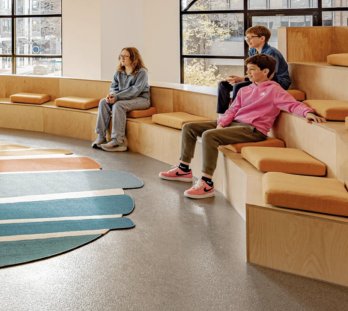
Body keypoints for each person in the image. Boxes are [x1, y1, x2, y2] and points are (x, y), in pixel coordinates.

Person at [160, 53, 325, 199]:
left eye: (252, 69)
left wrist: (308, 112)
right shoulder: (244, 90)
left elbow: (293, 104)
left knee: (209, 135)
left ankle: (207, 183)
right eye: (248, 69)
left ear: (265, 71)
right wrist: (221, 123)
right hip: (234, 123)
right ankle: (183, 169)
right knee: (189, 127)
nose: (247, 73)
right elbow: (232, 110)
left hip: (253, 130)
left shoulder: (274, 90)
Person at [217, 25, 290, 113]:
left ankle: (235, 115)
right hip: (259, 79)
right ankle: (222, 115)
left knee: (239, 86)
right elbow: (254, 71)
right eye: (246, 37)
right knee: (223, 84)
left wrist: (242, 79)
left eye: (250, 37)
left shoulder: (271, 52)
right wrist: (238, 79)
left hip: (277, 81)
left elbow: (269, 75)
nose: (247, 40)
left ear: (262, 38)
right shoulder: (253, 51)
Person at [93, 47, 151, 152]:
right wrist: (111, 96)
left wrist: (117, 97)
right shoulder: (119, 71)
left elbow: (135, 91)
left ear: (133, 58)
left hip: (141, 100)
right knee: (103, 102)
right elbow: (114, 87)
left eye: (125, 56)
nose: (122, 58)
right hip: (122, 99)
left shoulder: (142, 72)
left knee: (118, 105)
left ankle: (119, 141)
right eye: (121, 56)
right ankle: (101, 136)